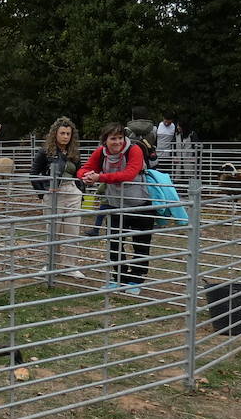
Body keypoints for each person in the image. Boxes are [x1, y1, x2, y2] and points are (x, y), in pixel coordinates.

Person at [78, 124, 155, 296]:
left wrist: (100, 177)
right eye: (113, 138)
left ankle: (136, 279)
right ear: (105, 140)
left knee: (140, 244)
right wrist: (86, 176)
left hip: (140, 204)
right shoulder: (101, 152)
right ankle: (118, 278)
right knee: (115, 244)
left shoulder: (134, 150)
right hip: (115, 205)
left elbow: (129, 174)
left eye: (120, 138)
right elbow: (85, 168)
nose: (118, 142)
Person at [30, 117, 87, 279]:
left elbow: (79, 172)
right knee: (52, 230)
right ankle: (50, 264)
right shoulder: (45, 152)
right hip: (53, 191)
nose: (65, 136)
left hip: (72, 191)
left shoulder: (74, 153)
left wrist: (81, 189)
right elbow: (33, 174)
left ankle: (70, 265)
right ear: (55, 133)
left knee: (72, 230)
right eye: (62, 133)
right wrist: (43, 193)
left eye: (68, 133)